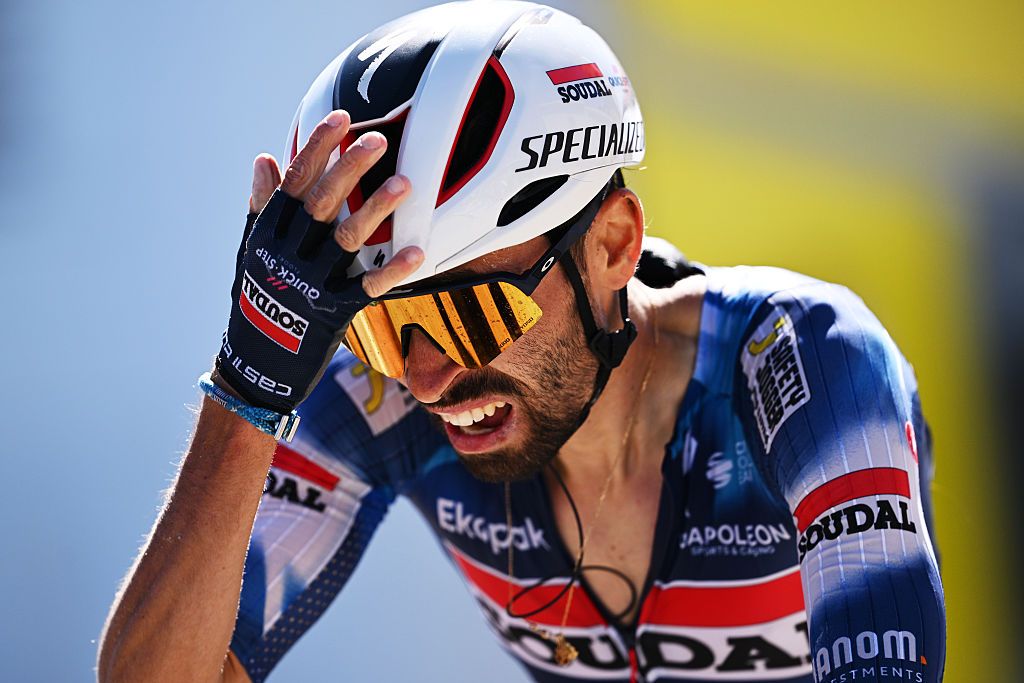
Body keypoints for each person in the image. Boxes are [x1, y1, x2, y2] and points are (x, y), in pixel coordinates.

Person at [97, 3, 946, 682]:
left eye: (471, 316)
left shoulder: (812, 359)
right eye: (382, 326)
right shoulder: (380, 394)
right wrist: (248, 386)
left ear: (611, 247)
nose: (426, 379)